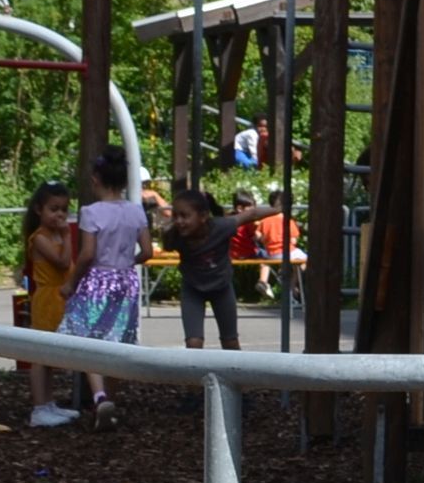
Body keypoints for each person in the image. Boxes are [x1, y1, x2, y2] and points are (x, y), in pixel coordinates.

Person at [60, 149, 150, 426]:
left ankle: (99, 396)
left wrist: (71, 283)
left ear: (95, 178)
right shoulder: (136, 211)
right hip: (126, 280)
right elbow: (147, 251)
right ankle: (112, 400)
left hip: (98, 279)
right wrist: (127, 262)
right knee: (118, 340)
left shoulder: (91, 212)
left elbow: (87, 253)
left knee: (86, 337)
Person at [161, 182, 276, 352]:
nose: (179, 221)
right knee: (193, 343)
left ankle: (237, 376)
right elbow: (167, 244)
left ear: (203, 216)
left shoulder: (221, 227)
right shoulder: (175, 235)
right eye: (175, 216)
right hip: (193, 289)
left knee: (230, 342)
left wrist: (279, 209)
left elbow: (251, 214)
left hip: (221, 288)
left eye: (185, 216)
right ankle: (193, 376)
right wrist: (165, 233)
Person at [20, 182, 82, 429]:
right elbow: (62, 262)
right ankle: (39, 408)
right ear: (39, 210)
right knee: (40, 354)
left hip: (61, 298)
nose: (59, 215)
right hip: (47, 298)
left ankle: (49, 403)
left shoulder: (56, 235)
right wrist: (68, 236)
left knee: (51, 353)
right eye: (53, 209)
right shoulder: (40, 239)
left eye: (64, 210)